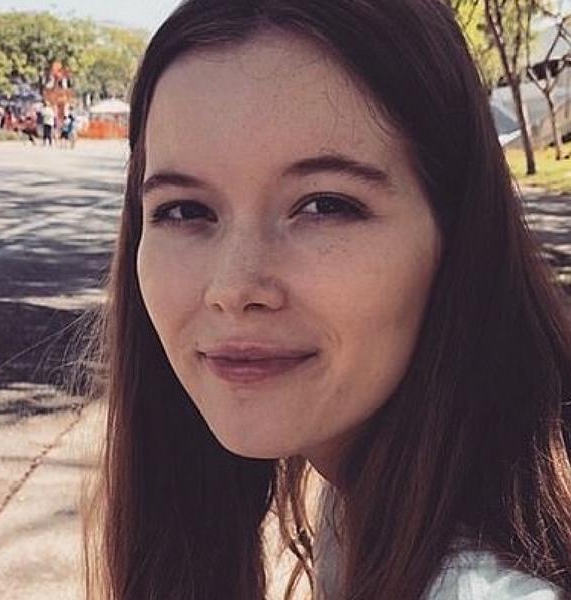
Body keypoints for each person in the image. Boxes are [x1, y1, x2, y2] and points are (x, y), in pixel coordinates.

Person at [81, 1, 571, 599]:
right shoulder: (370, 488)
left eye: (325, 205)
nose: (234, 288)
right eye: (185, 210)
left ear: (459, 233)